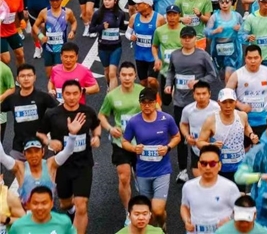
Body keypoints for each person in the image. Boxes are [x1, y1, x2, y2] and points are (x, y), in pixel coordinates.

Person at [41, 79, 101, 234]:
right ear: (62, 94)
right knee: (65, 203)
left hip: (83, 164)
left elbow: (96, 125)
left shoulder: (88, 112)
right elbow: (40, 133)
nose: (72, 97)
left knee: (82, 205)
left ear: (81, 94)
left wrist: (97, 137)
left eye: (75, 93)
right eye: (68, 94)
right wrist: (49, 141)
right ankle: (70, 210)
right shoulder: (52, 114)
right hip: (62, 165)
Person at [121, 86, 181, 230]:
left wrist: (167, 147)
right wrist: (134, 148)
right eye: (144, 103)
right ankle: (154, 231)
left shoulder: (166, 119)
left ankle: (162, 226)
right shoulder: (134, 122)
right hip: (143, 171)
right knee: (148, 214)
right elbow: (124, 142)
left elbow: (177, 136)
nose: (147, 106)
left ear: (156, 102)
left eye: (150, 102)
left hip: (162, 170)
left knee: (158, 210)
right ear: (140, 103)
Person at [165, 25, 217, 181]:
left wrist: (198, 82)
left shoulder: (203, 55)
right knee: (181, 137)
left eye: (190, 37)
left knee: (201, 136)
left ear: (195, 39)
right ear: (180, 39)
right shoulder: (175, 55)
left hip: (198, 103)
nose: (187, 40)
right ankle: (182, 170)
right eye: (184, 37)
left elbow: (212, 75)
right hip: (180, 103)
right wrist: (169, 84)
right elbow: (170, 71)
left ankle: (204, 166)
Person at [0, 113, 82, 209]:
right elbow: (2, 157)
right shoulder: (19, 167)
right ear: (24, 154)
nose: (33, 155)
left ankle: (71, 210)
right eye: (29, 152)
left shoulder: (50, 164)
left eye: (36, 151)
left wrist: (72, 135)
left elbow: (68, 152)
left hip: (48, 213)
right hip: (27, 214)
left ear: (42, 152)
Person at [98, 61, 146, 216]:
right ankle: (128, 212)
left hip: (141, 142)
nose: (127, 78)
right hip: (121, 142)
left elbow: (156, 111)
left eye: (130, 75)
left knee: (143, 178)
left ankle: (139, 181)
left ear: (135, 76)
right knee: (124, 177)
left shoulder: (143, 92)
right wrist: (110, 128)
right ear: (119, 76)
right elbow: (101, 115)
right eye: (124, 75)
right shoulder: (112, 96)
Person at [198, 87, 258, 181]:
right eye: (224, 102)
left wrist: (251, 135)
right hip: (220, 168)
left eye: (231, 102)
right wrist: (211, 145)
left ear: (235, 102)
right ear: (219, 103)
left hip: (240, 167)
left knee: (240, 190)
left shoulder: (242, 116)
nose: (228, 106)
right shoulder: (211, 120)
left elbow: (246, 126)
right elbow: (199, 142)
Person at [180, 145, 242, 232]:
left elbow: (241, 210)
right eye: (204, 163)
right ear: (198, 165)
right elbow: (184, 206)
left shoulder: (229, 187)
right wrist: (186, 220)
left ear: (219, 166)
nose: (208, 167)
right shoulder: (188, 186)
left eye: (212, 164)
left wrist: (230, 220)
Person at [227, 44, 267, 138]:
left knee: (263, 144)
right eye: (249, 58)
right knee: (246, 146)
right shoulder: (237, 75)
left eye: (256, 58)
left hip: (263, 118)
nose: (253, 61)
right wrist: (239, 105)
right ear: (245, 59)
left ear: (261, 58)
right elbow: (226, 94)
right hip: (243, 119)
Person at [179, 79, 221, 178]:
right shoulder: (188, 110)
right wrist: (187, 136)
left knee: (214, 176)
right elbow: (183, 124)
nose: (201, 97)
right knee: (198, 177)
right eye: (198, 94)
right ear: (193, 94)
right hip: (196, 149)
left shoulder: (217, 108)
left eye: (204, 93)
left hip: (214, 147)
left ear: (209, 94)